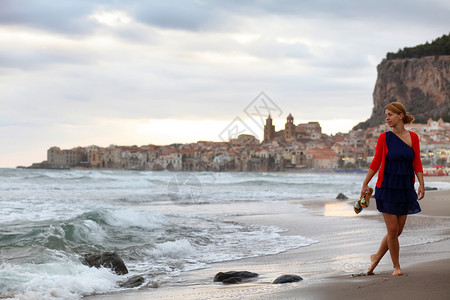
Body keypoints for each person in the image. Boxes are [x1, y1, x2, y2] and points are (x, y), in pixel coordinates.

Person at [361, 102, 425, 276]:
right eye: (386, 115)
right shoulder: (384, 138)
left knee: (398, 231)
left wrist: (421, 183)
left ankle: (375, 257)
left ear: (400, 115)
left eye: (390, 114)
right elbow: (376, 162)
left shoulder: (414, 138)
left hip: (405, 188)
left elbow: (416, 162)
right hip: (387, 187)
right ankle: (396, 267)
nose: (387, 118)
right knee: (392, 230)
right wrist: (366, 182)